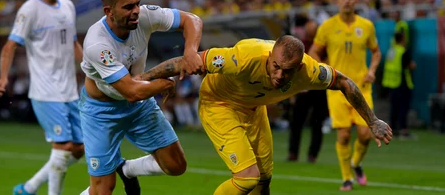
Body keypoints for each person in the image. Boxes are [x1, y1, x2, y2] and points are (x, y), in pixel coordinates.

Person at [138, 35, 393, 195]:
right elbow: (186, 61)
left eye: (288, 71)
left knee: (264, 181)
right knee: (247, 178)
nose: (280, 75)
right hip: (219, 104)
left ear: (300, 67)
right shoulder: (242, 57)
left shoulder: (311, 71)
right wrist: (141, 80)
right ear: (270, 56)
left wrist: (372, 120)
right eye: (276, 66)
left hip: (253, 110)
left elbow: (345, 83)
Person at [78, 0, 204, 195]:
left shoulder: (144, 15)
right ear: (108, 11)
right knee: (103, 190)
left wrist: (190, 52)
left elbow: (192, 20)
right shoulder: (97, 43)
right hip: (102, 112)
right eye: (128, 7)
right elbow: (131, 91)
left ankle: (127, 169)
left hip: (138, 104)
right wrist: (165, 83)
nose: (136, 10)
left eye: (137, 3)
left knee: (176, 166)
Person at [0, 0, 85, 195]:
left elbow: (73, 43)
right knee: (63, 147)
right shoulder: (29, 10)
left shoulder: (68, 6)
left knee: (79, 148)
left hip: (69, 91)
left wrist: (92, 68)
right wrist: (3, 78)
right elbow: (10, 45)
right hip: (45, 91)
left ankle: (28, 188)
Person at [308, 0, 382, 191]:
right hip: (337, 87)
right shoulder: (327, 27)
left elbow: (376, 52)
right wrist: (324, 70)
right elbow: (314, 51)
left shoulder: (366, 26)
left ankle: (356, 163)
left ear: (356, 1)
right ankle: (346, 178)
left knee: (366, 134)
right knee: (343, 135)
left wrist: (372, 70)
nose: (347, 1)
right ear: (337, 1)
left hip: (361, 86)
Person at [287, 19, 329, 163]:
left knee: (317, 123)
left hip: (319, 89)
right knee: (296, 122)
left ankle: (313, 155)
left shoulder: (323, 47)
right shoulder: (300, 46)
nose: (310, 32)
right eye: (309, 29)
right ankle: (293, 153)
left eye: (313, 29)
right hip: (303, 89)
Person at [382, 32, 416, 139]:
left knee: (394, 107)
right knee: (403, 107)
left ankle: (393, 129)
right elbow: (410, 65)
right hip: (402, 82)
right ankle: (403, 129)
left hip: (391, 83)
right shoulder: (403, 51)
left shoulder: (391, 51)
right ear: (402, 39)